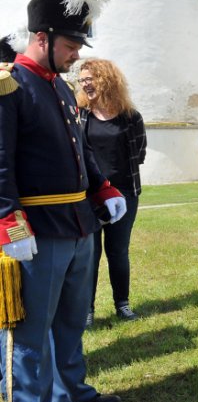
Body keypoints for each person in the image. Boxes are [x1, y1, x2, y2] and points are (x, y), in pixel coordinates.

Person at [0, 0, 128, 402]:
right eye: (71, 45)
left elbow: (80, 151)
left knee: (72, 319)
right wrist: (9, 221)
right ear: (41, 37)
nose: (77, 55)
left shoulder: (56, 85)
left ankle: (70, 390)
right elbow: (0, 161)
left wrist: (104, 190)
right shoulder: (10, 85)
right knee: (30, 330)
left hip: (78, 224)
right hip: (36, 228)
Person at [76, 59, 146, 326]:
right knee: (89, 254)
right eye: (82, 80)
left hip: (124, 193)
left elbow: (138, 154)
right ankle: (87, 310)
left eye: (90, 78)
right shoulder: (79, 113)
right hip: (88, 196)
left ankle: (123, 305)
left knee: (118, 251)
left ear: (107, 79)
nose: (85, 84)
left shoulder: (131, 117)